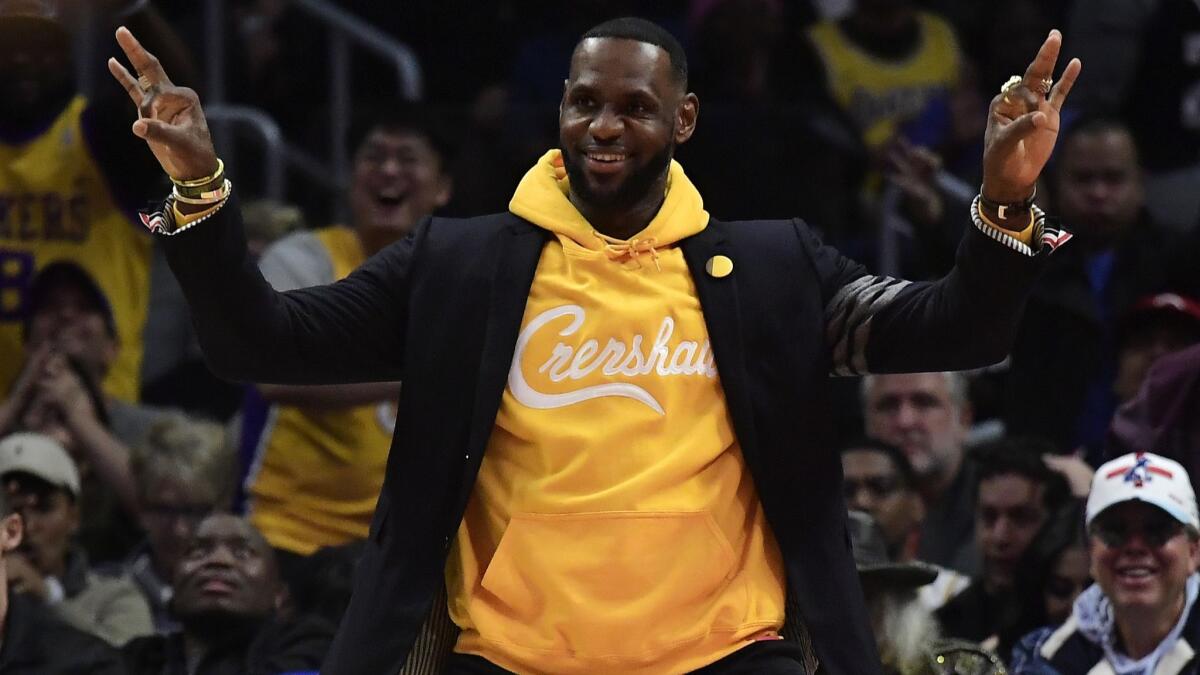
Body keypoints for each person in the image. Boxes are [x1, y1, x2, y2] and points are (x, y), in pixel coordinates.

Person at [109, 16, 1081, 674]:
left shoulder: (777, 271)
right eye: (584, 103)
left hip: (728, 657)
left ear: (684, 120)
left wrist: (1001, 201)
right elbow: (259, 342)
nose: (602, 127)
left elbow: (957, 326)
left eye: (633, 108)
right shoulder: (460, 265)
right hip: (512, 659)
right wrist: (201, 192)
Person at [239, 105, 453, 564]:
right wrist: (420, 373)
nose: (389, 170)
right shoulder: (304, 259)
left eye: (408, 159)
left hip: (404, 549)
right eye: (374, 157)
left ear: (443, 187)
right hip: (292, 533)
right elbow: (276, 374)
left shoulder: (459, 279)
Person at [0, 0, 193, 403]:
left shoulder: (98, 136)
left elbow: (174, 103)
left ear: (66, 54)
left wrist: (132, 7)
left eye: (41, 48)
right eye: (11, 47)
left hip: (95, 404)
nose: (23, 61)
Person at [1005, 117, 1200, 456]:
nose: (1098, 193)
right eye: (1083, 179)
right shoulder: (1027, 266)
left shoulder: (1182, 263)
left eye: (1113, 178)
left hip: (1166, 453)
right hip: (1050, 459)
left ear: (1141, 182)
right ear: (1055, 184)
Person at [1012, 452, 1200, 674]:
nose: (1135, 546)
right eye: (1115, 531)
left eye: (1157, 530)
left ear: (1193, 552)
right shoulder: (1040, 656)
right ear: (1092, 554)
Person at [122, 513, 334, 675]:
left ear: (279, 594)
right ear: (172, 585)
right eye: (198, 552)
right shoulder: (141, 658)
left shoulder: (310, 646)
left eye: (242, 553)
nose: (218, 561)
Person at [0, 431, 152, 645]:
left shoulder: (115, 598)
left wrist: (49, 599)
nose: (28, 526)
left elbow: (125, 664)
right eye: (9, 510)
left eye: (44, 508)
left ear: (74, 517)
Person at [938, 438, 1070, 645]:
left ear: (1057, 523)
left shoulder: (1077, 619)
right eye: (989, 517)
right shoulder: (945, 628)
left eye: (1021, 517)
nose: (1000, 537)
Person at [0, 453, 124, 673]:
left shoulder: (84, 664)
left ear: (11, 532)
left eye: (43, 507)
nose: (33, 526)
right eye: (19, 505)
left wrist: (47, 593)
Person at [124, 413, 234, 633]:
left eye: (195, 512)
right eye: (165, 510)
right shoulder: (107, 593)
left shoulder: (252, 601)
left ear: (224, 507)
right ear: (142, 506)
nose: (180, 530)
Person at [862, 372, 977, 572]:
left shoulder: (1001, 513)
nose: (905, 422)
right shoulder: (838, 509)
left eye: (924, 402)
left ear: (964, 419)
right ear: (866, 421)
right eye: (888, 405)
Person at [840, 436, 971, 610]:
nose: (862, 502)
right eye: (846, 491)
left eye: (881, 488)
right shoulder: (805, 598)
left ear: (917, 505)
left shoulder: (955, 596)